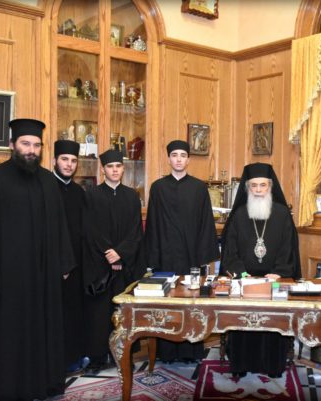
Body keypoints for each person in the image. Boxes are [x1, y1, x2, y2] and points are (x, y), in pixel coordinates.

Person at [0, 118, 75, 401]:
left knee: (43, 333)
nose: (31, 150)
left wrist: (63, 263)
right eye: (25, 143)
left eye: (37, 145)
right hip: (7, 283)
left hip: (44, 279)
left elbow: (60, 227)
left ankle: (44, 385)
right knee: (9, 338)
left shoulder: (48, 181)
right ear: (12, 145)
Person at [219, 162, 300, 378]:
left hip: (274, 279)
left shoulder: (282, 214)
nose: (258, 190)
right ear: (247, 188)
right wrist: (242, 273)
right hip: (245, 279)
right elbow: (230, 249)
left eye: (262, 185)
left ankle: (272, 366)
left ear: (270, 187)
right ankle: (241, 364)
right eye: (253, 186)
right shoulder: (239, 215)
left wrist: (279, 272)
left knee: (272, 323)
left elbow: (288, 247)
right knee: (243, 322)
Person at [144, 140, 219, 362]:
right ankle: (166, 353)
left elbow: (206, 223)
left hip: (191, 257)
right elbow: (153, 224)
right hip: (165, 257)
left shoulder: (199, 188)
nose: (178, 159)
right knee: (167, 303)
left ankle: (190, 352)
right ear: (168, 159)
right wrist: (153, 256)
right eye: (174, 155)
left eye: (183, 155)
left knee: (191, 303)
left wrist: (203, 257)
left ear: (188, 159)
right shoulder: (158, 187)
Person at [84, 149, 144, 373]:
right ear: (103, 170)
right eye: (110, 167)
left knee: (124, 312)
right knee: (99, 314)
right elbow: (90, 229)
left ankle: (124, 355)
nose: (115, 170)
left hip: (125, 265)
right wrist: (108, 253)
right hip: (100, 264)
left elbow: (136, 230)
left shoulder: (132, 196)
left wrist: (121, 253)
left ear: (123, 169)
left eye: (118, 166)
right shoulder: (92, 195)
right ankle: (98, 358)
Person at [53, 139, 90, 375]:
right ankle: (56, 362)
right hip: (53, 264)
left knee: (75, 312)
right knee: (56, 315)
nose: (69, 164)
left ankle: (74, 359)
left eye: (73, 160)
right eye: (64, 159)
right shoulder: (45, 187)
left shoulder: (79, 192)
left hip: (77, 264)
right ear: (54, 160)